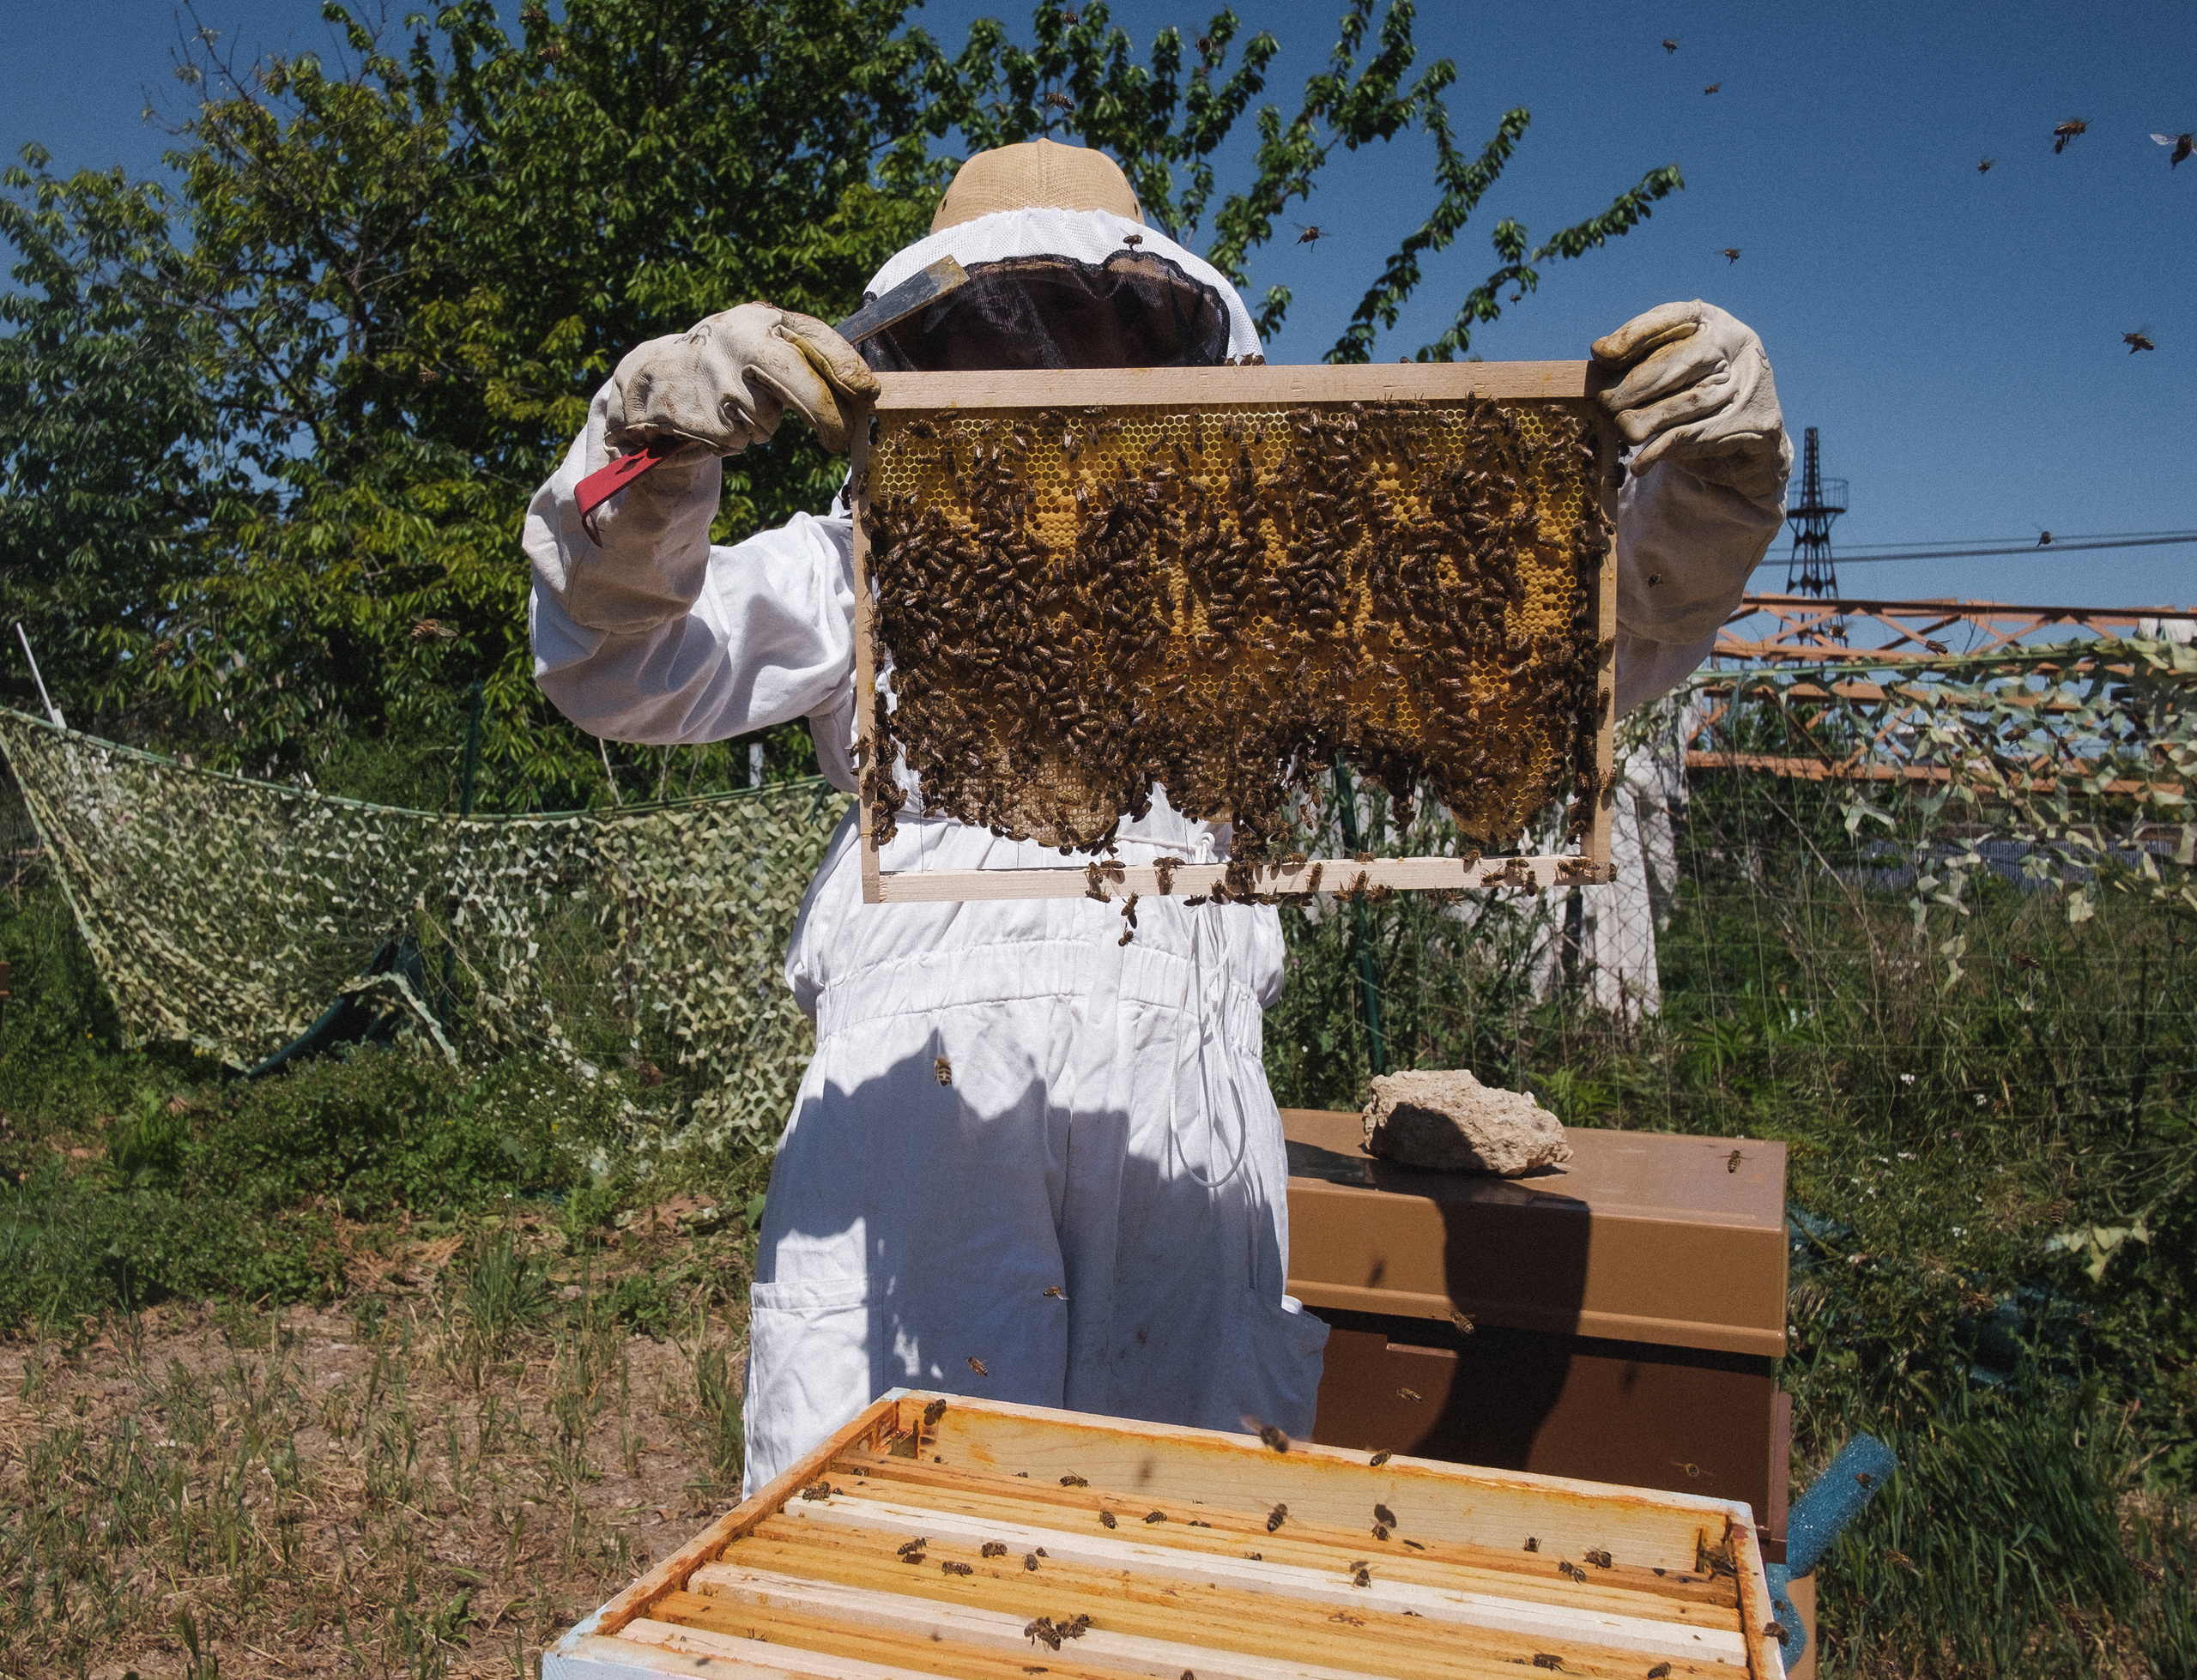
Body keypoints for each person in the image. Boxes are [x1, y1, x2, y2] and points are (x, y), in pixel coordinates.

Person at [524, 140, 1790, 1493]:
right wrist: (651, 445)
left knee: (1169, 1559)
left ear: (1177, 335)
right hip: (914, 1133)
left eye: (1100, 322)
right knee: (876, 1559)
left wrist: (1706, 487)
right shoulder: (860, 569)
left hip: (1186, 1128)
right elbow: (616, 662)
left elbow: (1562, 658)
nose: (1060, 369)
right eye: (1009, 333)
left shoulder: (1260, 587)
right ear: (932, 355)